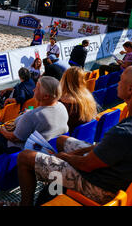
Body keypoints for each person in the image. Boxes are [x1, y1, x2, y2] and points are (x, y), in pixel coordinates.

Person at [16, 66, 132, 206]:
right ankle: (53, 188)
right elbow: (102, 150)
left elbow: (86, 165)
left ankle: (25, 204)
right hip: (110, 174)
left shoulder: (122, 132)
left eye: (121, 80)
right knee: (61, 140)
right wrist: (75, 153)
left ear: (130, 89)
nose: (118, 82)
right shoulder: (124, 125)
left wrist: (65, 158)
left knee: (24, 157)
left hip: (97, 186)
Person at [0, 76, 69, 160]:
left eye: (37, 88)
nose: (33, 90)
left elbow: (14, 138)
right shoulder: (62, 107)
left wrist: (1, 129)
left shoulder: (32, 116)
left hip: (27, 151)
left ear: (46, 96)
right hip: (51, 145)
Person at [59, 67, 98, 135]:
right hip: (87, 138)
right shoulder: (88, 97)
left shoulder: (60, 103)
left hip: (68, 141)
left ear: (64, 80)